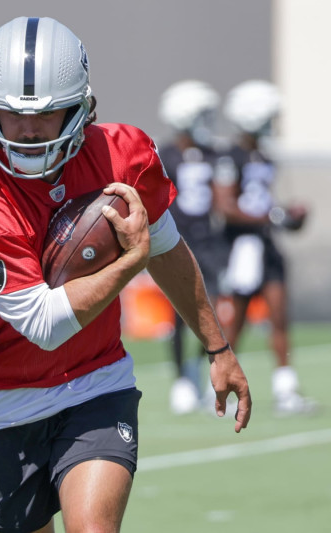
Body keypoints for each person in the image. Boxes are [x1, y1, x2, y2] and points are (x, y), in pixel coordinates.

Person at [0, 17, 251, 533]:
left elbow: (164, 248)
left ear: (80, 108)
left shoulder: (122, 154)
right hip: (1, 401)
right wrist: (128, 262)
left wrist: (218, 347)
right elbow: (45, 325)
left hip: (94, 382)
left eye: (49, 114)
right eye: (11, 114)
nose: (28, 129)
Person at [215, 79, 316, 416]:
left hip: (265, 244)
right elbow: (226, 206)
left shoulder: (264, 155)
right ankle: (218, 388)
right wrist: (273, 216)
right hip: (243, 246)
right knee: (237, 321)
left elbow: (266, 204)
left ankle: (285, 389)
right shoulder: (231, 156)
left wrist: (287, 215)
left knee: (280, 316)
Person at [157, 80, 228, 414]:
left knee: (210, 308)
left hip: (209, 241)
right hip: (176, 240)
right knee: (177, 313)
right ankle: (181, 379)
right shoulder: (166, 154)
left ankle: (199, 370)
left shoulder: (214, 154)